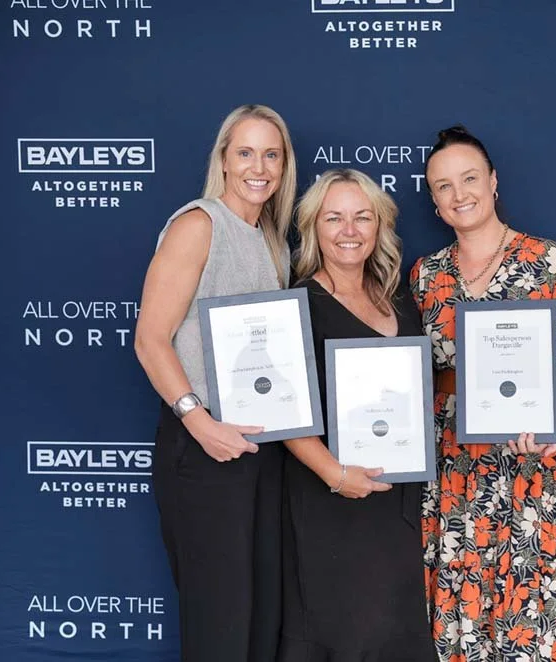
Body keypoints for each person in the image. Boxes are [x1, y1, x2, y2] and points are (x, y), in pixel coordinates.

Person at [410, 126, 556, 661]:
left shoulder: (554, 263)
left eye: (469, 178)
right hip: (454, 479)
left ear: (493, 182)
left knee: (536, 634)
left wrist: (551, 429)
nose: (458, 193)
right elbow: (414, 377)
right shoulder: (426, 276)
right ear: (434, 201)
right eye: (442, 186)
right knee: (459, 634)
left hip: (537, 477)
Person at [133, 104, 297, 662]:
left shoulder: (273, 243)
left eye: (271, 154)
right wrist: (199, 422)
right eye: (245, 152)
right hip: (203, 448)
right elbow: (150, 339)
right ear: (224, 161)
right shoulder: (198, 224)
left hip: (260, 451)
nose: (260, 167)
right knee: (220, 627)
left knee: (259, 622)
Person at [278, 169, 436, 661]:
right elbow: (282, 410)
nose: (349, 230)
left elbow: (422, 386)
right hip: (334, 505)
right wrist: (335, 473)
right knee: (348, 636)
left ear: (379, 226)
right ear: (313, 229)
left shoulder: (399, 299)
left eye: (362, 217)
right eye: (334, 218)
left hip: (399, 507)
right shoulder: (297, 304)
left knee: (395, 636)